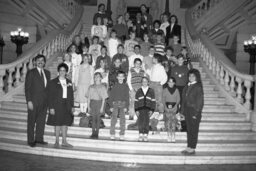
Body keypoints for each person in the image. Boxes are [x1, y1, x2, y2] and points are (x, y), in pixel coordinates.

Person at [25, 54, 50, 147]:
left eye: (42, 60)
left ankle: (39, 139)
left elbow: (47, 88)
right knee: (31, 122)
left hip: (44, 102)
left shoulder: (47, 73)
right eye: (38, 60)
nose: (40, 62)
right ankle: (31, 140)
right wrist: (29, 101)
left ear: (44, 62)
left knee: (41, 121)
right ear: (35, 62)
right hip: (33, 101)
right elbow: (27, 88)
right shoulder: (31, 72)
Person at [47, 63, 74, 148]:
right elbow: (50, 96)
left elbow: (71, 95)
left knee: (65, 123)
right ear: (58, 71)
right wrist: (51, 107)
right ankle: (57, 141)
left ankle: (64, 141)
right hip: (57, 105)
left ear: (66, 72)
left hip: (67, 105)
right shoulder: (53, 82)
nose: (62, 72)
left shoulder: (69, 82)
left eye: (64, 70)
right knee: (57, 123)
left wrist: (72, 106)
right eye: (61, 70)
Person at [181, 69, 204, 155]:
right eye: (190, 76)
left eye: (193, 76)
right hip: (187, 110)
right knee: (189, 130)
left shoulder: (198, 87)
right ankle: (188, 146)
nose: (191, 77)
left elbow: (200, 102)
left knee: (194, 130)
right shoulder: (187, 86)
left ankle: (192, 148)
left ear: (196, 77)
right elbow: (183, 100)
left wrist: (196, 113)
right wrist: (182, 112)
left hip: (194, 111)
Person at [109, 71, 130, 141]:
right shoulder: (114, 86)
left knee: (122, 120)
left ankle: (122, 134)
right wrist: (111, 106)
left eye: (122, 76)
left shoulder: (126, 86)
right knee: (113, 119)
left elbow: (127, 97)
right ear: (117, 77)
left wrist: (126, 107)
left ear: (124, 78)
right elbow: (111, 96)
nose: (121, 78)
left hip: (123, 104)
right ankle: (112, 133)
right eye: (119, 76)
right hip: (115, 104)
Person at [88, 72, 108, 139]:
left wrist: (102, 107)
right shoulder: (91, 86)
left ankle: (97, 133)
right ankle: (93, 132)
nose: (97, 78)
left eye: (98, 76)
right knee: (93, 119)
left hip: (99, 103)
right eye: (95, 76)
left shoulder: (102, 87)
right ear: (94, 78)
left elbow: (104, 99)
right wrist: (88, 106)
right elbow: (88, 97)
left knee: (98, 119)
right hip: (93, 103)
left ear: (101, 78)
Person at [135, 77, 156, 142]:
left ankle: (146, 134)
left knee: (146, 122)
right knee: (140, 122)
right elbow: (136, 101)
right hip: (140, 109)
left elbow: (153, 101)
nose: (144, 83)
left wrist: (152, 110)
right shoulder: (138, 91)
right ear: (141, 83)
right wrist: (136, 110)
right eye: (143, 81)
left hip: (148, 109)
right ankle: (141, 134)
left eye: (146, 81)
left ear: (148, 82)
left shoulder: (151, 91)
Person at [163, 77, 180, 142]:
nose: (170, 83)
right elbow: (163, 99)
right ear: (167, 83)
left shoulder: (176, 90)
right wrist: (165, 107)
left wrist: (175, 107)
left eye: (172, 82)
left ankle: (173, 135)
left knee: (173, 123)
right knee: (168, 122)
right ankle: (168, 135)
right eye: (169, 82)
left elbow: (178, 99)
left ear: (174, 83)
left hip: (174, 109)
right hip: (167, 109)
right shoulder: (165, 90)